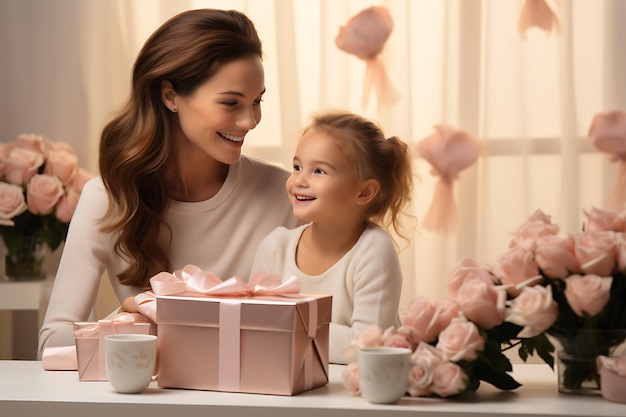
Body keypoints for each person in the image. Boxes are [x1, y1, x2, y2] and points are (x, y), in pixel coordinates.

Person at [38, 9, 297, 358]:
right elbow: (51, 343)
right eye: (231, 102)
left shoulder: (282, 194)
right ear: (170, 96)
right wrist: (128, 321)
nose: (249, 121)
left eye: (256, 102)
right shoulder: (106, 199)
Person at [250, 110, 414, 364]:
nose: (299, 180)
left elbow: (368, 345)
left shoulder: (374, 251)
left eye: (319, 171)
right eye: (297, 167)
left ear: (364, 192)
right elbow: (256, 329)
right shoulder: (275, 246)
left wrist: (286, 327)